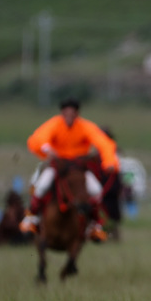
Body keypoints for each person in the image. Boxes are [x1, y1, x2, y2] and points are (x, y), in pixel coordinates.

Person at [20, 98, 118, 240]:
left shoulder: (85, 126)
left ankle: (95, 226)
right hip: (58, 165)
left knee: (96, 190)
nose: (69, 116)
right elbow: (39, 138)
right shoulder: (55, 124)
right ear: (62, 113)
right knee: (41, 185)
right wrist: (47, 148)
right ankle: (31, 218)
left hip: (78, 168)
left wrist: (109, 162)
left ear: (77, 114)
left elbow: (103, 143)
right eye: (66, 112)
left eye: (73, 113)